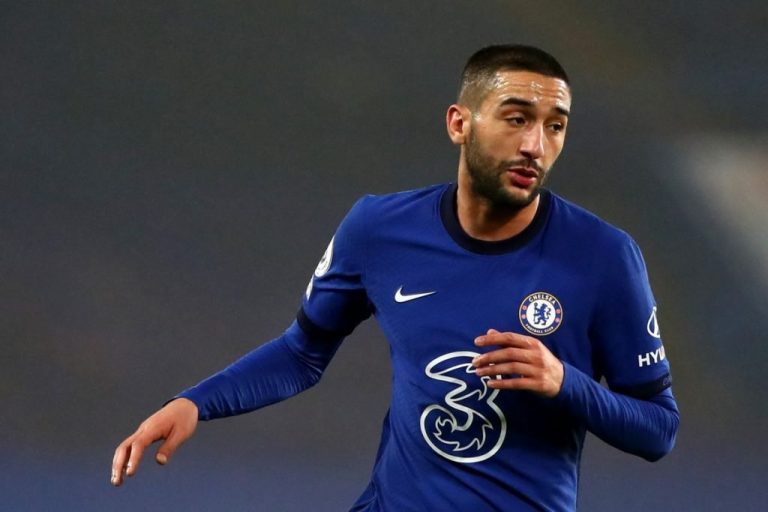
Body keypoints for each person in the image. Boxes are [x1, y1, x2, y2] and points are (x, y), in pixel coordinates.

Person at [111, 44, 678, 511]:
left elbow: (658, 429)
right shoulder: (378, 229)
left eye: (555, 126)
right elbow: (302, 353)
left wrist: (565, 383)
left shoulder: (604, 257)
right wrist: (195, 403)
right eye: (516, 119)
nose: (535, 145)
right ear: (460, 123)